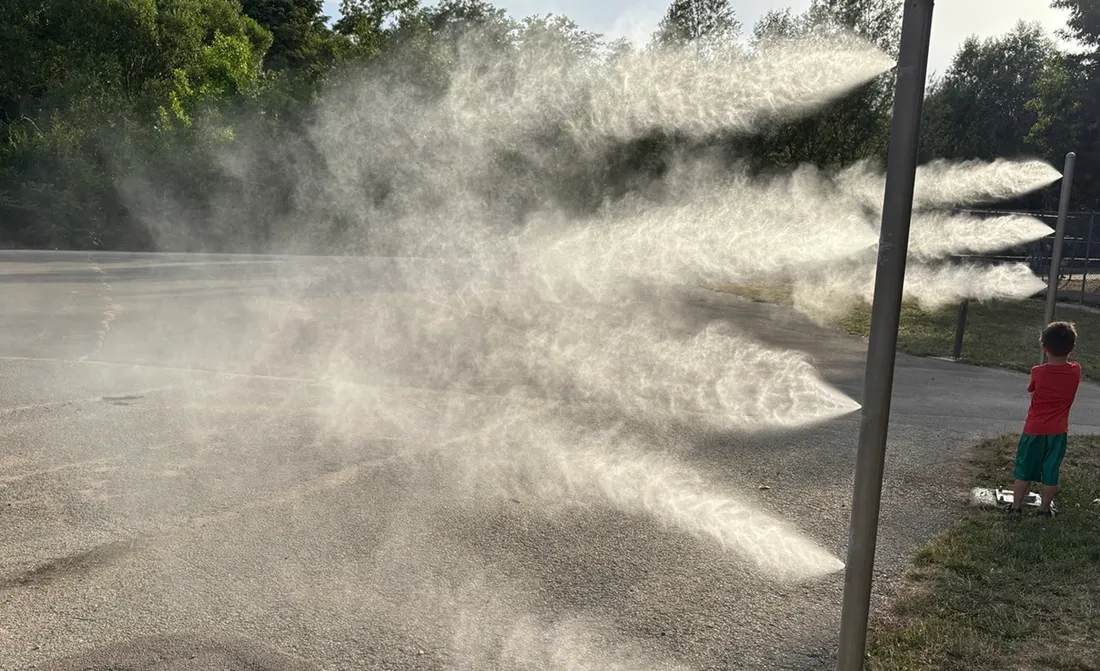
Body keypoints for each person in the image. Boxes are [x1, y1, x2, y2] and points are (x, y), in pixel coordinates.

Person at [1007, 321, 1082, 517]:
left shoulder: (1037, 371)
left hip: (1034, 429)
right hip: (1058, 431)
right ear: (1072, 348)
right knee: (1051, 470)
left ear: (1044, 347)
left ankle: (1016, 507)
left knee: (1023, 469)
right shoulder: (1076, 370)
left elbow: (1032, 391)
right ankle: (1044, 509)